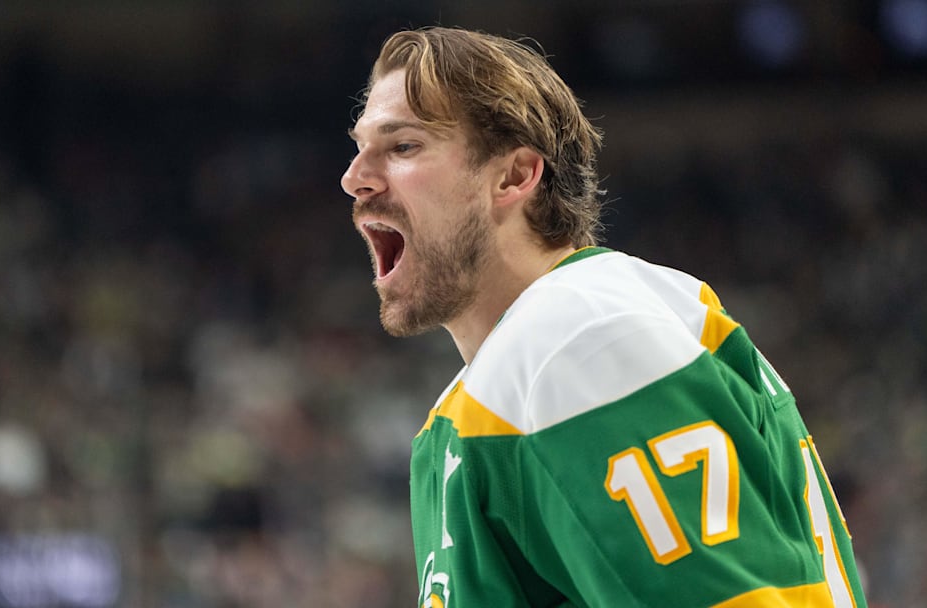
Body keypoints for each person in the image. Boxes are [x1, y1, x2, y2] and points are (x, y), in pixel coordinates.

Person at [341, 26, 867, 608]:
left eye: (403, 146)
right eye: (360, 147)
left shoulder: (574, 340)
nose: (354, 177)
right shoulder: (505, 382)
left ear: (514, 176)